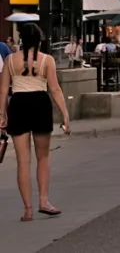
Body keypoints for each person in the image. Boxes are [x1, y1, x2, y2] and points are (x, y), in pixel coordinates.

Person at [0, 22, 71, 222]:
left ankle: (28, 209)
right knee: (43, 158)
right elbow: (55, 89)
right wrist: (65, 115)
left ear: (22, 40)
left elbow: (3, 91)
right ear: (39, 40)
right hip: (40, 103)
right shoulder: (46, 60)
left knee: (23, 161)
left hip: (19, 104)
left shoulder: (10, 60)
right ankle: (44, 201)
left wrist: (2, 115)